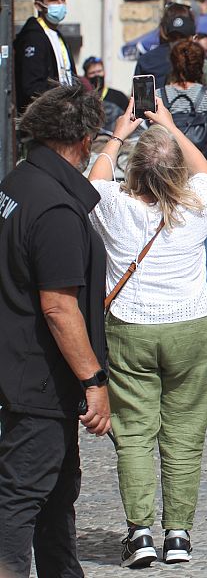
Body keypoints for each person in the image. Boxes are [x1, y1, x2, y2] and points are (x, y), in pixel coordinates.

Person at [87, 96, 207, 568]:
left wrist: (120, 131)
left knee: (135, 432)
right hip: (187, 324)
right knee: (184, 433)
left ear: (134, 170)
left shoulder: (115, 207)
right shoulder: (197, 204)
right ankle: (179, 533)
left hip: (131, 325)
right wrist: (170, 126)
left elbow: (93, 179)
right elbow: (205, 170)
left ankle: (140, 531)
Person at [0, 84, 111, 577]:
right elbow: (59, 308)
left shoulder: (17, 184)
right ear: (85, 140)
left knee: (57, 495)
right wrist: (94, 381)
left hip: (21, 368)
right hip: (38, 378)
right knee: (21, 499)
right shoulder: (57, 209)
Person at [158, 40, 207, 320]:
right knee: (206, 242)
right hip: (202, 173)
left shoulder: (161, 94)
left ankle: (170, 293)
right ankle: (206, 297)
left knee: (168, 237)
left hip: (170, 174)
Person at [134, 3, 207, 122]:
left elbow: (140, 110)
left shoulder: (146, 61)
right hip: (183, 135)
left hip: (161, 133)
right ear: (193, 36)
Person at [14, 0, 76, 113]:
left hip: (66, 115)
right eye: (54, 0)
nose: (60, 4)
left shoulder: (57, 35)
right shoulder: (33, 37)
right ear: (38, 5)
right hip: (46, 118)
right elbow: (32, 87)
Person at [83, 56, 130, 132]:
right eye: (92, 73)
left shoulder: (119, 96)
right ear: (86, 76)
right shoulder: (84, 99)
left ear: (104, 72)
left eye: (99, 71)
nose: (97, 75)